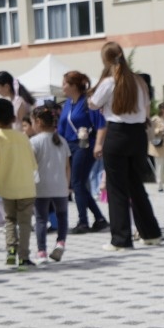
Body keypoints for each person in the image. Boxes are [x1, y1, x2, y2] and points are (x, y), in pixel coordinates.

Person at [88, 42, 164, 251]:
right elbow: (147, 107)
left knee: (117, 188)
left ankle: (121, 239)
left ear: (106, 60)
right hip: (138, 135)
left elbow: (92, 103)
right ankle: (151, 233)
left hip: (117, 133)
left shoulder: (109, 82)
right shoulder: (139, 81)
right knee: (136, 185)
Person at [0, 98, 38, 270]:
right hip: (26, 187)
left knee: (9, 220)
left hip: (6, 188)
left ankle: (10, 250)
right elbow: (33, 164)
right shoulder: (23, 137)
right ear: (14, 118)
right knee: (24, 223)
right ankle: (24, 258)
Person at [58, 71, 108, 235]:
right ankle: (99, 219)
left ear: (73, 86)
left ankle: (83, 222)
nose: (62, 86)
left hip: (85, 146)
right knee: (78, 184)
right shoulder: (67, 104)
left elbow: (101, 124)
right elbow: (62, 129)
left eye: (65, 83)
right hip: (70, 146)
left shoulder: (88, 102)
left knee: (77, 182)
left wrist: (98, 145)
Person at [30, 105, 72, 265]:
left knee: (41, 219)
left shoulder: (34, 141)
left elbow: (30, 165)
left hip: (40, 186)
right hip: (61, 185)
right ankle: (61, 243)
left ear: (38, 122)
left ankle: (41, 252)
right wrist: (67, 185)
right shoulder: (62, 140)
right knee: (62, 216)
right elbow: (68, 166)